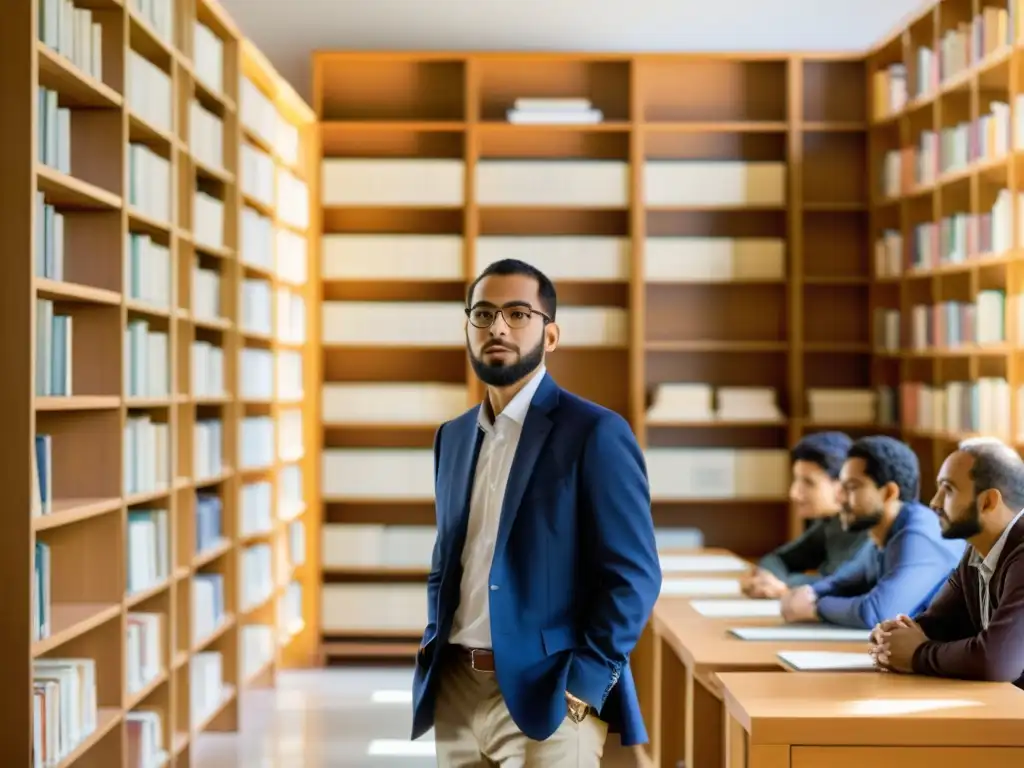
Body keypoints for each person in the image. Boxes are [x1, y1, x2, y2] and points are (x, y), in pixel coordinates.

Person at [410, 258, 662, 766]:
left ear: (550, 336)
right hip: (456, 686)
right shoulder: (453, 437)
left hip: (548, 693)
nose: (498, 327)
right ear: (467, 328)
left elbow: (635, 576)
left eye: (518, 313)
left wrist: (583, 685)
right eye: (482, 314)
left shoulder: (595, 433)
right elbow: (449, 563)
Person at [869, 438, 1024, 686]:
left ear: (988, 502)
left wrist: (916, 655)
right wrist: (892, 639)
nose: (934, 502)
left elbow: (997, 661)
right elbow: (936, 624)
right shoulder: (977, 550)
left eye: (948, 489)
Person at [780, 435, 964, 629]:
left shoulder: (920, 535)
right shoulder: (880, 534)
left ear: (889, 493)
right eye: (841, 487)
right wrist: (808, 593)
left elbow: (879, 612)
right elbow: (842, 583)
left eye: (851, 487)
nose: (839, 498)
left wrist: (816, 607)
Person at [741, 431, 872, 598]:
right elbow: (777, 559)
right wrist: (768, 579)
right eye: (796, 480)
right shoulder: (832, 522)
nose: (794, 493)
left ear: (843, 484)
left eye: (808, 483)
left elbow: (844, 585)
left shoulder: (872, 531)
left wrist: (784, 584)